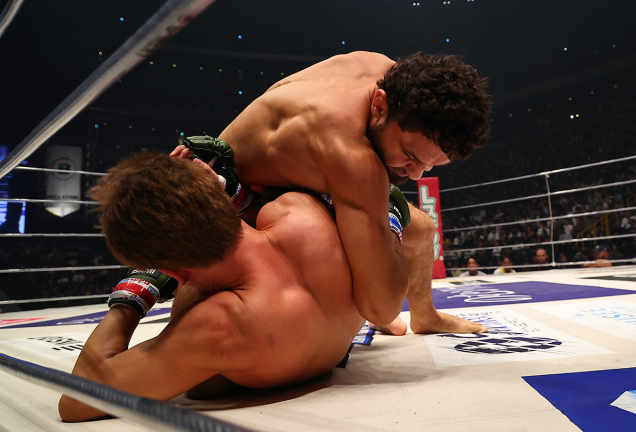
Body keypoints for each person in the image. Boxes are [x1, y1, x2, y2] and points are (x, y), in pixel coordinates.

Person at [172, 51, 491, 335]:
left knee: (422, 228)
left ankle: (425, 316)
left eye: (432, 165)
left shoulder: (380, 68)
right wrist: (391, 218)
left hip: (283, 178)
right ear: (380, 106)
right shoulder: (351, 154)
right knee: (347, 249)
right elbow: (381, 306)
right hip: (227, 207)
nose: (417, 173)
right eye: (410, 155)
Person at [59, 152, 369, 422]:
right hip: (333, 346)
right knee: (206, 386)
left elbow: (75, 403)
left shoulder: (220, 324)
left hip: (259, 351)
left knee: (203, 385)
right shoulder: (299, 209)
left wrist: (136, 291)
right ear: (217, 192)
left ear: (172, 272)